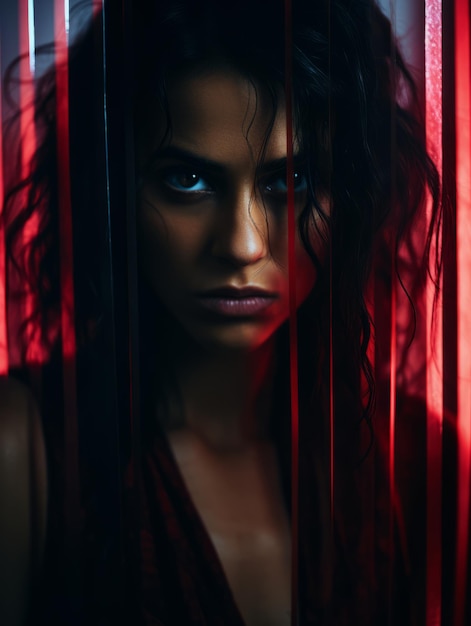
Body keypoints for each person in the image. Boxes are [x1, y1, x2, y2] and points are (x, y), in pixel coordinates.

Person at [0, 0, 442, 624]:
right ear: (113, 189)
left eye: (288, 182)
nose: (242, 244)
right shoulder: (26, 452)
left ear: (354, 194)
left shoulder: (412, 463)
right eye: (187, 180)